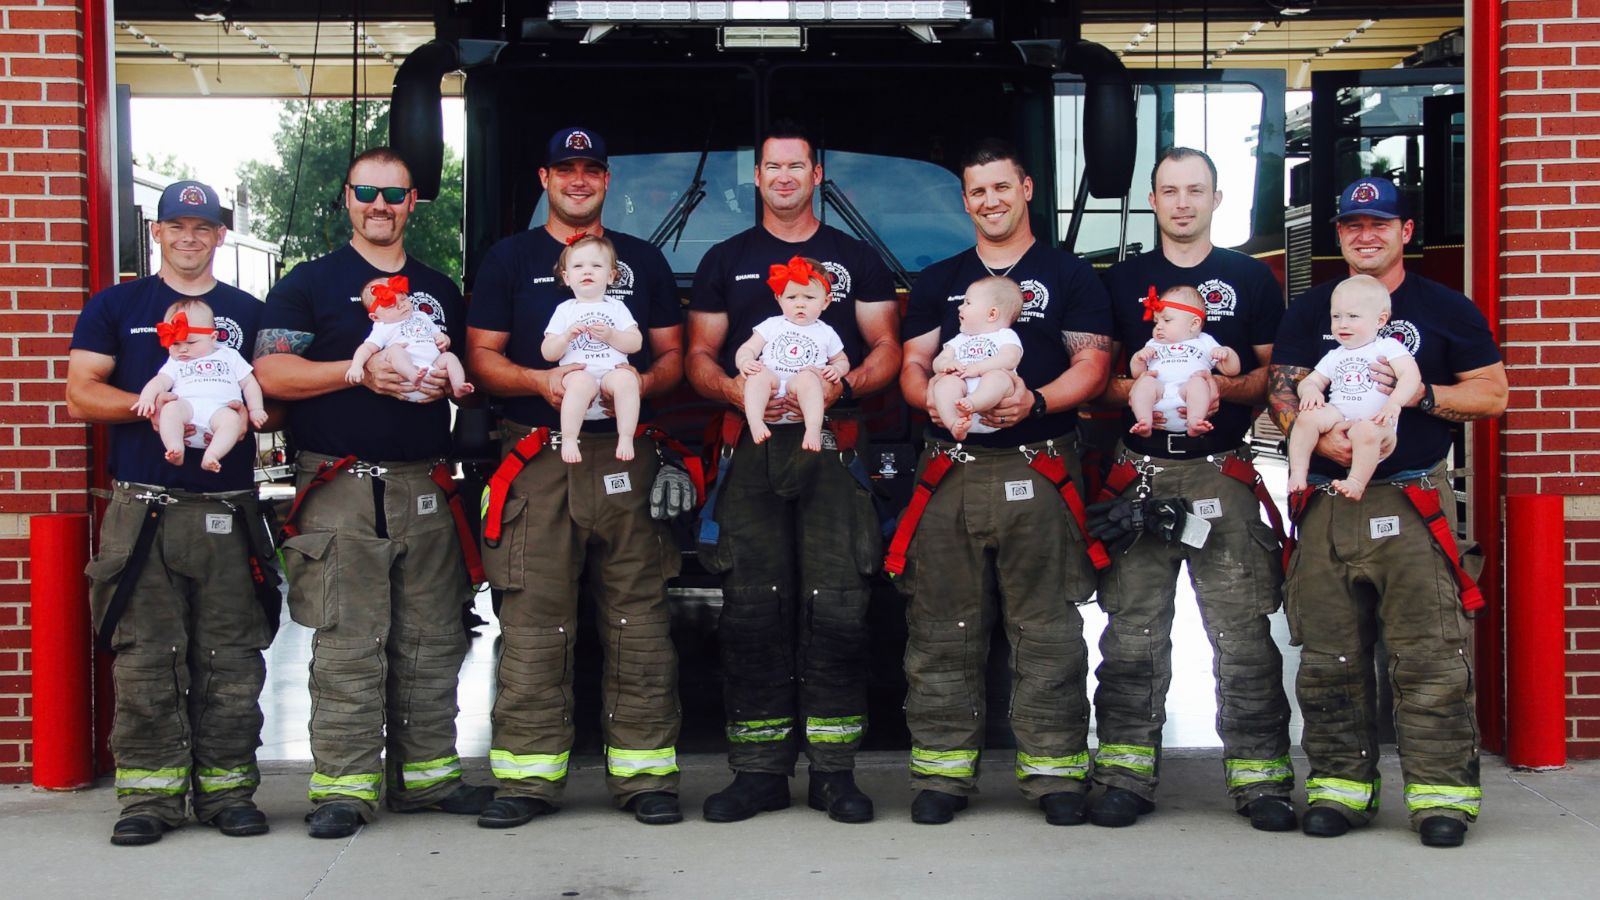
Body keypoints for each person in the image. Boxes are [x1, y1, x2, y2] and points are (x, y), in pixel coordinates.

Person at [254, 148, 492, 839]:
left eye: (393, 194)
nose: (379, 205)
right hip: (338, 486)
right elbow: (270, 372)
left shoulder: (440, 288)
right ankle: (344, 791)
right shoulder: (311, 283)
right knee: (349, 641)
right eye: (366, 192)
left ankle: (428, 780)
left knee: (431, 638)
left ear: (414, 201)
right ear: (347, 200)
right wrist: (359, 375)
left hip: (424, 482)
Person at [1268, 176, 1506, 848]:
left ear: (1406, 232)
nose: (1364, 236)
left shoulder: (1445, 309)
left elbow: (1493, 395)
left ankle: (1441, 799)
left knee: (1428, 653)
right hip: (1327, 506)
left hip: (1411, 498)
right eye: (1351, 226)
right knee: (1327, 657)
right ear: (1338, 236)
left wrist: (1420, 397)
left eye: (1379, 224)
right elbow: (1284, 392)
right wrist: (1319, 429)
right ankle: (1341, 790)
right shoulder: (1311, 307)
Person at [466, 126, 687, 828]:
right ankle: (527, 782)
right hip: (536, 458)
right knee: (534, 619)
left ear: (606, 180)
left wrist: (630, 382)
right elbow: (481, 358)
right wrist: (542, 379)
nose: (579, 179)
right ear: (545, 178)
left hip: (623, 457)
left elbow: (674, 358)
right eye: (567, 169)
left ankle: (645, 775)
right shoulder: (509, 259)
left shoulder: (642, 262)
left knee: (640, 618)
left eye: (592, 168)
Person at [686, 121, 900, 824]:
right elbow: (699, 357)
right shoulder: (726, 258)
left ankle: (835, 773)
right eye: (771, 167)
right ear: (757, 177)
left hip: (830, 451)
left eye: (796, 166)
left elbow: (886, 348)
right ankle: (758, 773)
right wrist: (735, 391)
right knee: (752, 607)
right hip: (749, 454)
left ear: (816, 174)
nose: (783, 177)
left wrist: (839, 388)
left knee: (838, 604)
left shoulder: (854, 259)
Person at [895, 138, 1111, 826]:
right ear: (965, 201)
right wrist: (927, 398)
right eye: (976, 191)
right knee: (942, 625)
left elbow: (1095, 366)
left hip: (1040, 465)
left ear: (1025, 189)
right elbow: (912, 361)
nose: (989, 200)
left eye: (1000, 186)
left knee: (1046, 625)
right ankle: (942, 775)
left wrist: (1037, 401)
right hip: (950, 472)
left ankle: (1053, 773)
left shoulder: (1069, 273)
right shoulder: (939, 279)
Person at [66, 180, 278, 846]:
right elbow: (81, 394)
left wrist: (248, 413)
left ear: (221, 235)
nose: (190, 238)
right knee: (147, 656)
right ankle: (149, 799)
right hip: (144, 507)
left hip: (227, 507)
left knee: (231, 656)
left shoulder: (249, 309)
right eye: (177, 227)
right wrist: (153, 405)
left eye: (204, 228)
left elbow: (278, 393)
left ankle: (227, 793)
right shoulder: (116, 306)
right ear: (156, 233)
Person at [1093, 147, 1295, 831]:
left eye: (1196, 191)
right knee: (1132, 632)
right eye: (1170, 191)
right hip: (1141, 472)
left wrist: (1208, 384)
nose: (1182, 203)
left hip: (1221, 470)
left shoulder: (1252, 279)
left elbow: (1274, 379)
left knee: (1242, 631)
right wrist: (1144, 386)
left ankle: (1261, 777)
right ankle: (1124, 774)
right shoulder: (1121, 281)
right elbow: (1099, 378)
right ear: (1152, 200)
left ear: (1216, 198)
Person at [1287, 274, 1420, 499]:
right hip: (1339, 414)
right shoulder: (1334, 354)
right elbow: (1312, 380)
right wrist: (1309, 391)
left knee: (1365, 431)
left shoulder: (1387, 346)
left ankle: (1357, 482)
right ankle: (1299, 472)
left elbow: (1410, 375)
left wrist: (1395, 403)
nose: (1342, 324)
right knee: (1307, 418)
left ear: (1380, 320)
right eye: (1336, 316)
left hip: (1378, 420)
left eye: (1353, 316)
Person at [540, 233, 644, 463]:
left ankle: (626, 437)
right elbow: (548, 352)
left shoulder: (617, 308)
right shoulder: (565, 310)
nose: (587, 271)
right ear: (566, 277)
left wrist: (612, 335)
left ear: (611, 276)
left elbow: (635, 343)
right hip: (578, 373)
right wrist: (566, 336)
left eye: (596, 265)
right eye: (578, 266)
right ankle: (569, 438)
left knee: (627, 381)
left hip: (610, 374)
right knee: (580, 382)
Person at [134, 299, 268, 471]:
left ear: (213, 337)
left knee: (232, 420)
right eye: (175, 343)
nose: (182, 349)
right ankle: (175, 448)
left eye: (190, 343)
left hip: (220, 410)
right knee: (170, 409)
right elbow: (159, 382)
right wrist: (147, 398)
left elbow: (249, 382)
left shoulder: (229, 355)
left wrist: (256, 409)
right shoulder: (175, 362)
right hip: (187, 409)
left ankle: (212, 455)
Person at [735, 255, 850, 450]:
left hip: (802, 398)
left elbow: (842, 359)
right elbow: (747, 348)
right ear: (779, 299)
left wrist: (837, 370)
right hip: (769, 393)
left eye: (809, 297)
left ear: (826, 302)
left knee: (808, 377)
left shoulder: (826, 332)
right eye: (791, 297)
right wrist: (745, 361)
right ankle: (755, 422)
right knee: (757, 376)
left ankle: (813, 429)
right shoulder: (771, 324)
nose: (800, 304)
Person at [1126, 285, 1240, 438]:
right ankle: (1144, 421)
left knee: (1198, 382)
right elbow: (1138, 374)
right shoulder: (1153, 344)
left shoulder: (1204, 342)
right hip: (1158, 397)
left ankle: (1195, 423)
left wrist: (1226, 354)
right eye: (1156, 322)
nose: (1158, 326)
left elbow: (1232, 370)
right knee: (1145, 383)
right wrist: (1139, 358)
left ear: (1193, 324)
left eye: (1166, 320)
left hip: (1188, 398)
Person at [345, 274, 473, 400]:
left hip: (432, 370)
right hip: (403, 378)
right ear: (375, 317)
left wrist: (444, 339)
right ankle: (412, 374)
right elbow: (366, 348)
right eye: (391, 306)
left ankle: (458, 386)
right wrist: (356, 366)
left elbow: (438, 334)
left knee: (449, 357)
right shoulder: (383, 327)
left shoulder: (421, 316)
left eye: (403, 299)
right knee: (395, 350)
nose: (401, 305)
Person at [928, 275, 1025, 441]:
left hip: (994, 404)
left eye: (967, 302)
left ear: (992, 313)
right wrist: (947, 364)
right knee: (945, 382)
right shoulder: (960, 339)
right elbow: (938, 362)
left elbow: (1010, 358)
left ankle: (973, 403)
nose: (960, 307)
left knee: (998, 377)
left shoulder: (1005, 335)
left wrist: (978, 368)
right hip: (959, 402)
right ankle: (954, 424)